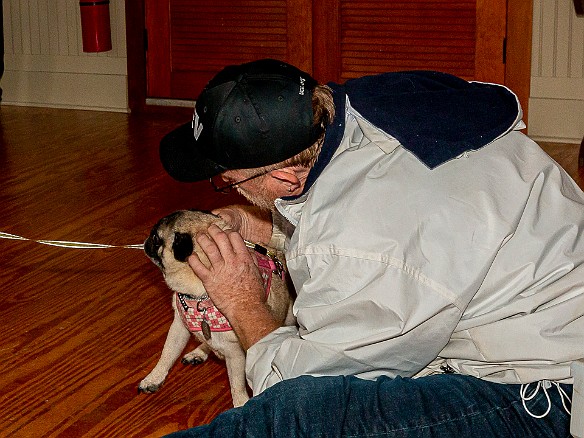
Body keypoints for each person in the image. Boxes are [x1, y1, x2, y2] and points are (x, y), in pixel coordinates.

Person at [158, 59, 583, 436]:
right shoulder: (364, 109)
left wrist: (243, 300)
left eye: (226, 180)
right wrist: (266, 228)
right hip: (544, 320)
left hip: (545, 394)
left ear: (287, 179)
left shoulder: (366, 240)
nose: (225, 190)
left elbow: (301, 384)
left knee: (299, 419)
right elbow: (407, 239)